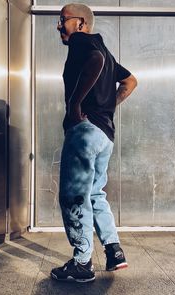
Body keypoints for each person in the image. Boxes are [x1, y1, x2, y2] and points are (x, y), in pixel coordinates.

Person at [51, 3, 137, 283]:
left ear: (81, 23)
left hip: (86, 133)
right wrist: (108, 108)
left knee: (74, 195)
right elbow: (131, 81)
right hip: (104, 134)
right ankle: (114, 251)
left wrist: (75, 105)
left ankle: (82, 263)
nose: (59, 25)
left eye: (63, 20)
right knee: (94, 193)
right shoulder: (105, 50)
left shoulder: (81, 42)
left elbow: (95, 62)